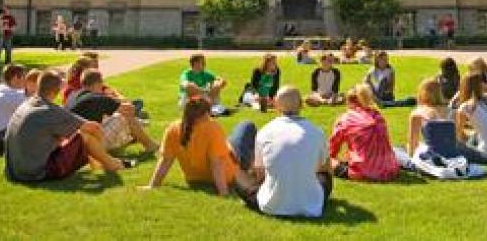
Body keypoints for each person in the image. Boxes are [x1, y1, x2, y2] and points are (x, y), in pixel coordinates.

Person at [3, 71, 125, 182]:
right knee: (85, 136)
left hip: (14, 171)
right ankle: (111, 164)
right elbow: (93, 128)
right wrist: (101, 149)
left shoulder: (27, 104)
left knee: (73, 135)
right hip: (35, 172)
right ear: (56, 91)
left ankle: (105, 161)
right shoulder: (49, 110)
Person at [233, 86, 333, 218]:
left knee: (238, 175)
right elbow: (325, 168)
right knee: (325, 174)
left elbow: (260, 173)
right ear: (301, 105)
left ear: (276, 106)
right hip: (311, 204)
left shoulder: (265, 131)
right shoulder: (317, 132)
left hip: (272, 205)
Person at [142, 97, 257, 196]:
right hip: (230, 173)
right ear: (206, 114)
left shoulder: (173, 128)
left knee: (230, 141)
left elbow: (165, 160)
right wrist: (223, 192)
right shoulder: (212, 128)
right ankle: (252, 168)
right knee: (247, 125)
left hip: (194, 179)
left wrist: (153, 185)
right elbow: (216, 163)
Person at [66, 69, 157, 153]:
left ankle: (138, 135)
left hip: (74, 143)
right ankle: (149, 145)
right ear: (100, 83)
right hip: (91, 145)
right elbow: (129, 108)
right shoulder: (98, 98)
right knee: (125, 116)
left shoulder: (73, 96)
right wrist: (116, 99)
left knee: (117, 116)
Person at [328, 84, 399, 182]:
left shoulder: (346, 119)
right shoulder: (378, 116)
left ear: (348, 101)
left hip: (363, 171)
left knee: (326, 161)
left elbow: (332, 149)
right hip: (390, 168)